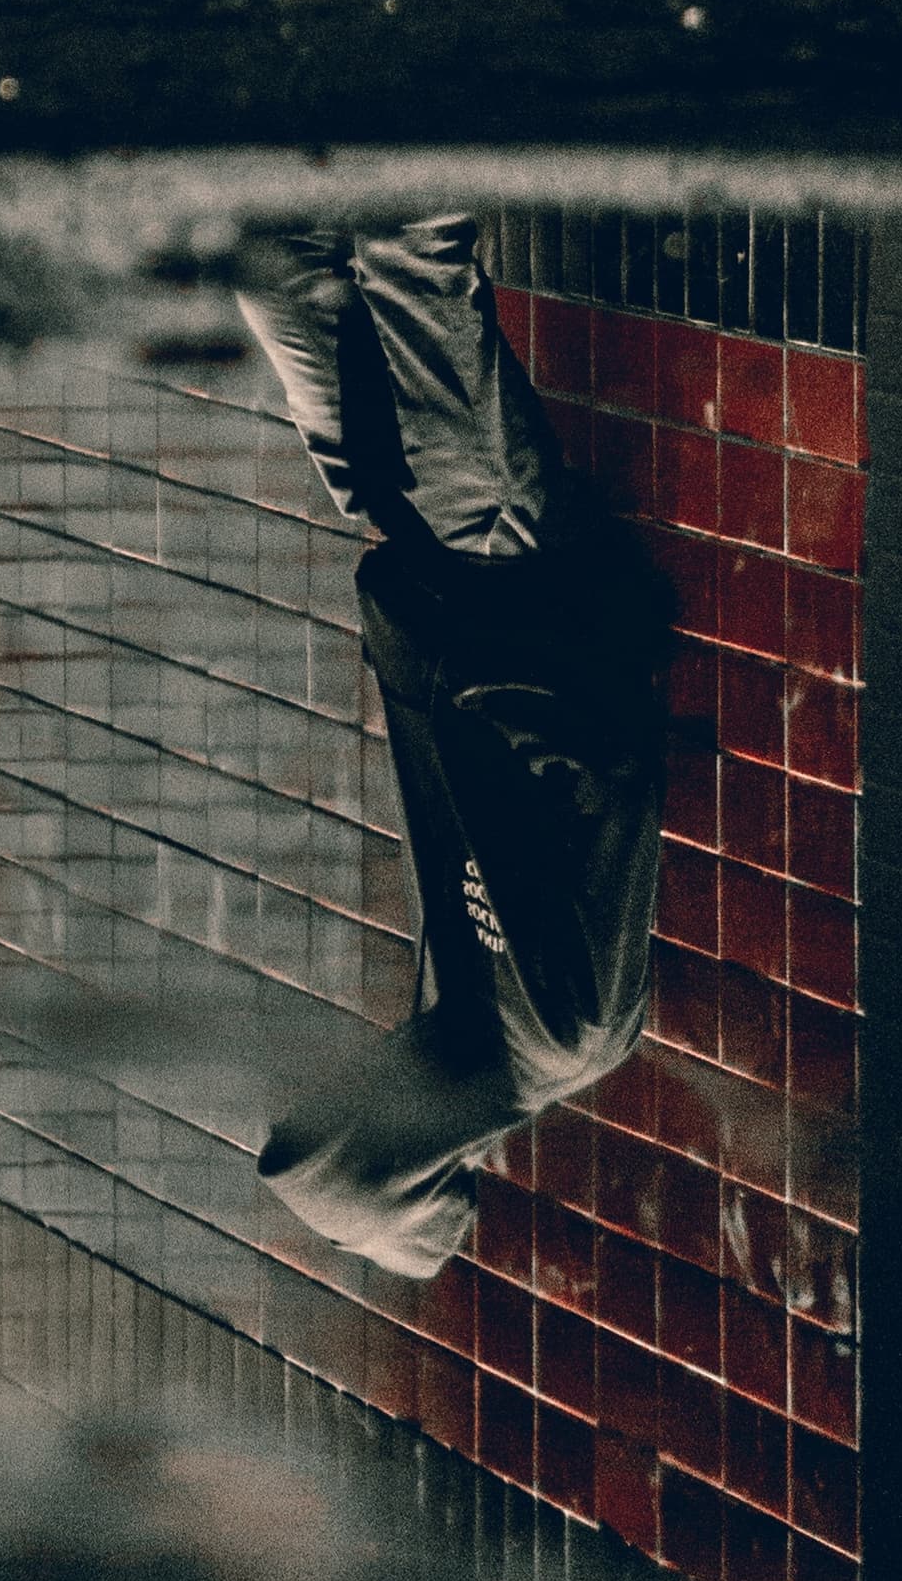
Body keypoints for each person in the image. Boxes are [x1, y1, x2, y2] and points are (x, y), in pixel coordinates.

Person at [232, 218, 674, 1278]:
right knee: (407, 255)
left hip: (426, 564)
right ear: (403, 1149)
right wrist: (484, 674)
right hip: (499, 559)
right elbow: (609, 786)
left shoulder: (460, 1018)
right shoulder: (565, 1035)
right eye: (344, 1122)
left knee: (268, 260)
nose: (343, 1084)